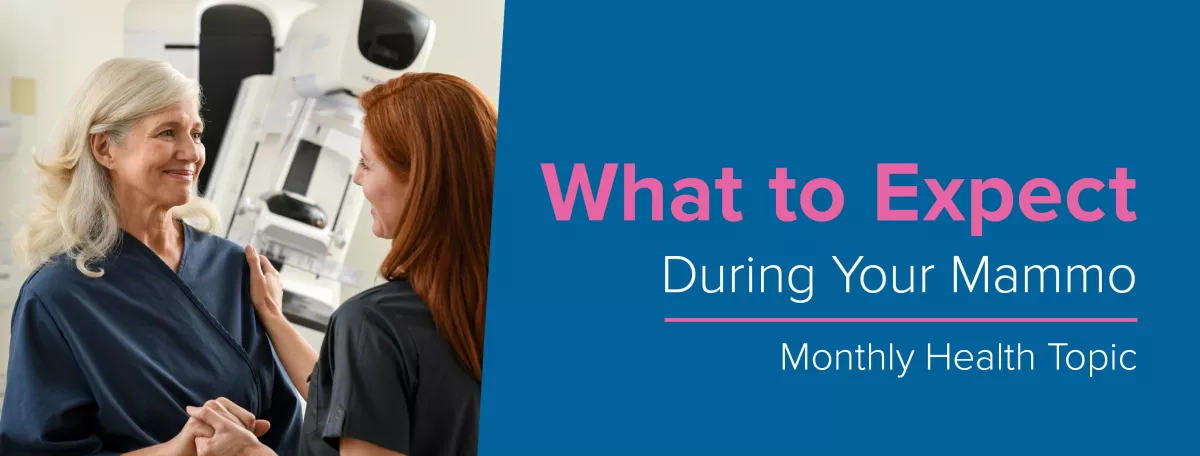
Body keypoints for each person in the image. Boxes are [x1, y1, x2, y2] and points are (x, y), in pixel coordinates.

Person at [0, 57, 303, 455]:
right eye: (167, 132)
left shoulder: (233, 267)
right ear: (105, 148)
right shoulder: (57, 296)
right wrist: (177, 450)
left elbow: (285, 424)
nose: (191, 152)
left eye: (196, 133)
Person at [186, 71, 496, 456]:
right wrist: (273, 317)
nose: (356, 177)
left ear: (420, 179)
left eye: (367, 163)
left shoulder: (374, 323)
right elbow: (363, 396)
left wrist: (250, 452)